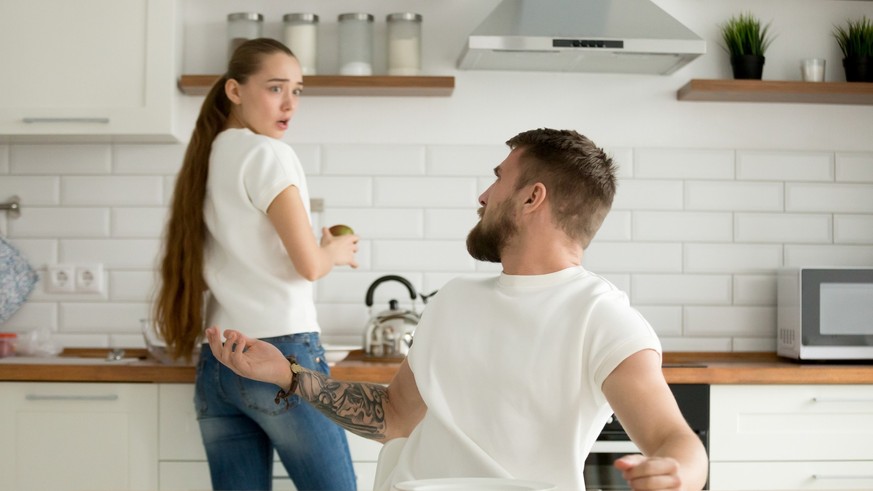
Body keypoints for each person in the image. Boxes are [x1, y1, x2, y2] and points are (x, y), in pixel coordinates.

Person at [205, 128, 710, 491]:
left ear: (533, 197)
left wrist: (679, 472)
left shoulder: (601, 317)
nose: (483, 195)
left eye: (498, 180)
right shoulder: (455, 301)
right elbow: (393, 415)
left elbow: (674, 438)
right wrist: (289, 374)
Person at [152, 38, 359, 491]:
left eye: (298, 91)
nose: (290, 104)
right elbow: (309, 264)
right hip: (280, 356)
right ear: (234, 91)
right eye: (275, 88)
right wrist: (336, 253)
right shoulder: (268, 154)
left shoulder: (207, 159)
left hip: (219, 362)